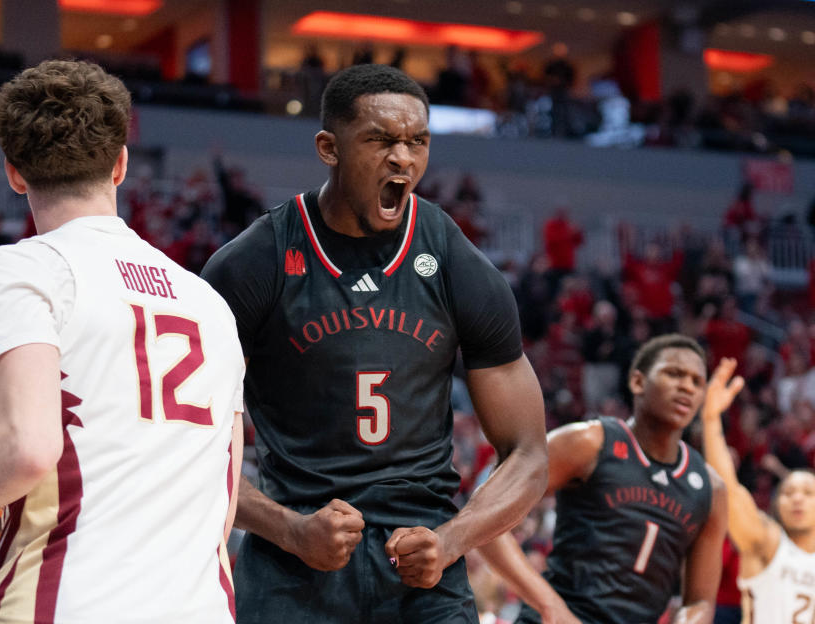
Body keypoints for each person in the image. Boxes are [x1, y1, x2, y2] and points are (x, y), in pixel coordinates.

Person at [0, 60, 245, 623]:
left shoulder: (24, 268)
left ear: (15, 174)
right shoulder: (208, 303)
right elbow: (225, 499)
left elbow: (28, 446)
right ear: (120, 164)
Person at [201, 63, 547, 623]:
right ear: (328, 148)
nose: (403, 158)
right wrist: (288, 528)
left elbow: (530, 454)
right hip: (295, 560)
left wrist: (453, 540)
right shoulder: (256, 261)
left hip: (422, 561)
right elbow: (182, 441)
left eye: (417, 142)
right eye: (381, 140)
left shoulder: (453, 259)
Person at [479, 334, 728, 624]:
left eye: (697, 382)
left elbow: (700, 600)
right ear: (637, 382)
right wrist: (550, 605)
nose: (687, 386)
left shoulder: (711, 488)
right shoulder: (587, 442)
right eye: (674, 374)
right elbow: (485, 517)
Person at [700, 357, 815, 624]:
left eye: (808, 493)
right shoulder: (767, 544)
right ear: (777, 504)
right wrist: (710, 421)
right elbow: (729, 488)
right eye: (788, 492)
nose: (797, 498)